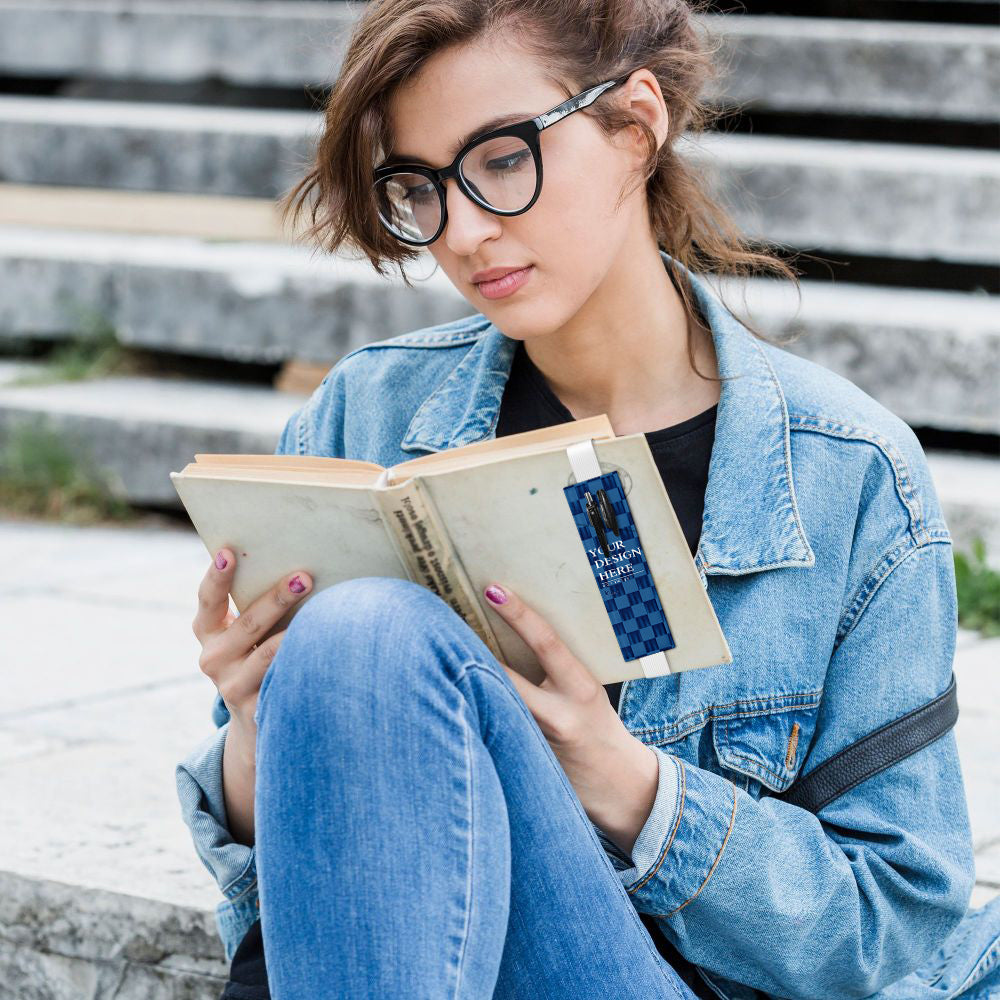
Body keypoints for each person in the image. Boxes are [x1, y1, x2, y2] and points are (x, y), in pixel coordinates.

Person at [175, 1, 1000, 997]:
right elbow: (290, 907)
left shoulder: (848, 474)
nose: (463, 231)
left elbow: (889, 925)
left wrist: (625, 783)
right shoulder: (366, 414)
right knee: (362, 639)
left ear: (636, 125)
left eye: (502, 160)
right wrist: (259, 726)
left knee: (365, 631)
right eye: (420, 188)